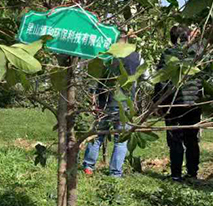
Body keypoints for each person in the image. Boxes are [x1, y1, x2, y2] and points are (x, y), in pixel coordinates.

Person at [82, 34, 142, 178]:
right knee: (121, 140)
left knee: (97, 135)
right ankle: (115, 173)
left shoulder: (106, 56)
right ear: (127, 41)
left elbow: (96, 79)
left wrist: (94, 99)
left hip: (105, 102)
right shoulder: (136, 56)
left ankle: (88, 166)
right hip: (125, 104)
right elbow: (144, 76)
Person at [153, 25, 202, 182]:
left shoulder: (169, 53)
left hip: (173, 102)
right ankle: (192, 173)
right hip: (194, 102)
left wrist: (157, 102)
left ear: (173, 38)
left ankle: (176, 174)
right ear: (188, 36)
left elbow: (160, 79)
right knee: (192, 138)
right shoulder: (198, 52)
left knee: (175, 138)